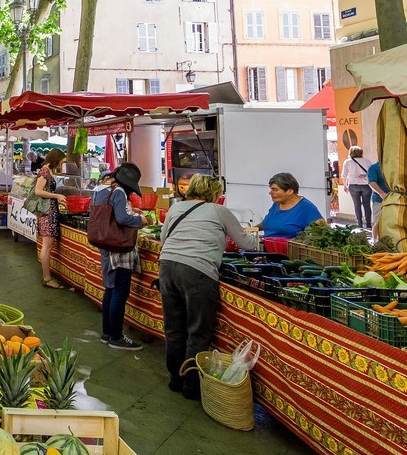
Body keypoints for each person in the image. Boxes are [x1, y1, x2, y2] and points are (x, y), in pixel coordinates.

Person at [159, 175, 258, 397]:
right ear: (214, 193)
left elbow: (164, 238)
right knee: (197, 331)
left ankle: (175, 379)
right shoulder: (217, 210)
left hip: (167, 265)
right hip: (197, 271)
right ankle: (191, 386)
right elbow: (246, 243)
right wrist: (259, 238)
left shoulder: (177, 208)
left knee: (174, 328)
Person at [89, 163, 145, 350]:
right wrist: (140, 220)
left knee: (110, 290)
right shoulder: (119, 192)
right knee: (120, 292)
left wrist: (129, 212)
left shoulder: (99, 189)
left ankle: (106, 333)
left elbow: (109, 214)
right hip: (118, 246)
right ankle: (116, 337)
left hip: (104, 244)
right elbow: (121, 219)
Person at [262, 173, 324, 239]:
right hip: (269, 247)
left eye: (275, 190)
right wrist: (253, 228)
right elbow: (271, 223)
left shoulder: (306, 208)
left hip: (290, 248)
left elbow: (324, 230)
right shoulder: (277, 203)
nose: (270, 193)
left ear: (290, 191)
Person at [32, 158, 59, 287]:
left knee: (47, 246)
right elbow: (38, 191)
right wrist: (57, 196)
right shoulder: (45, 171)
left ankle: (47, 277)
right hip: (47, 212)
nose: (62, 164)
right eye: (62, 161)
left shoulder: (48, 171)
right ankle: (47, 278)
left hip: (49, 211)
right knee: (46, 247)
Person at [341, 148, 373, 230]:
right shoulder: (367, 161)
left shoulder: (347, 162)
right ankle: (368, 224)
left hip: (353, 185)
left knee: (357, 205)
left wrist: (345, 185)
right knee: (367, 205)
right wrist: (365, 176)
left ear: (351, 152)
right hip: (366, 185)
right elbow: (371, 172)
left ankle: (359, 224)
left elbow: (344, 175)